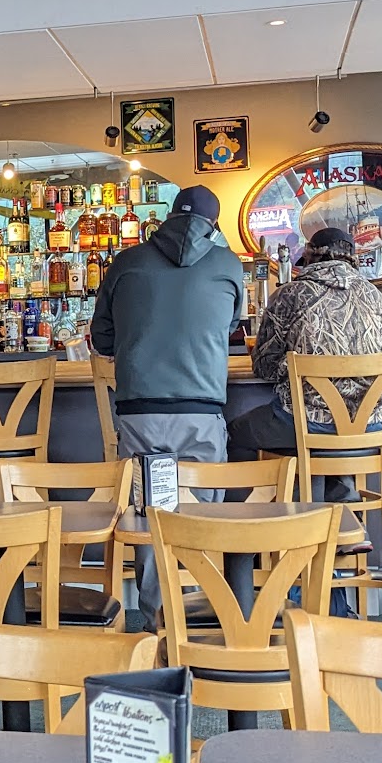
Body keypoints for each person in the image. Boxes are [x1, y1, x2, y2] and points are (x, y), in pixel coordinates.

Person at [89, 183, 243, 624]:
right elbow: (232, 325)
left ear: (168, 218)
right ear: (214, 225)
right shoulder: (228, 264)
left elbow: (101, 339)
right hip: (202, 414)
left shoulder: (126, 262)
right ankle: (202, 611)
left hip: (141, 413)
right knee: (201, 515)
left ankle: (159, 618)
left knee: (149, 516)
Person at [227, 227, 382, 485]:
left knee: (235, 433)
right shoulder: (376, 297)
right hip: (369, 425)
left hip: (306, 422)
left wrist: (291, 364)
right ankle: (343, 512)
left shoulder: (291, 295)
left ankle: (254, 516)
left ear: (310, 256)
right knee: (333, 445)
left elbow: (264, 367)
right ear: (352, 258)